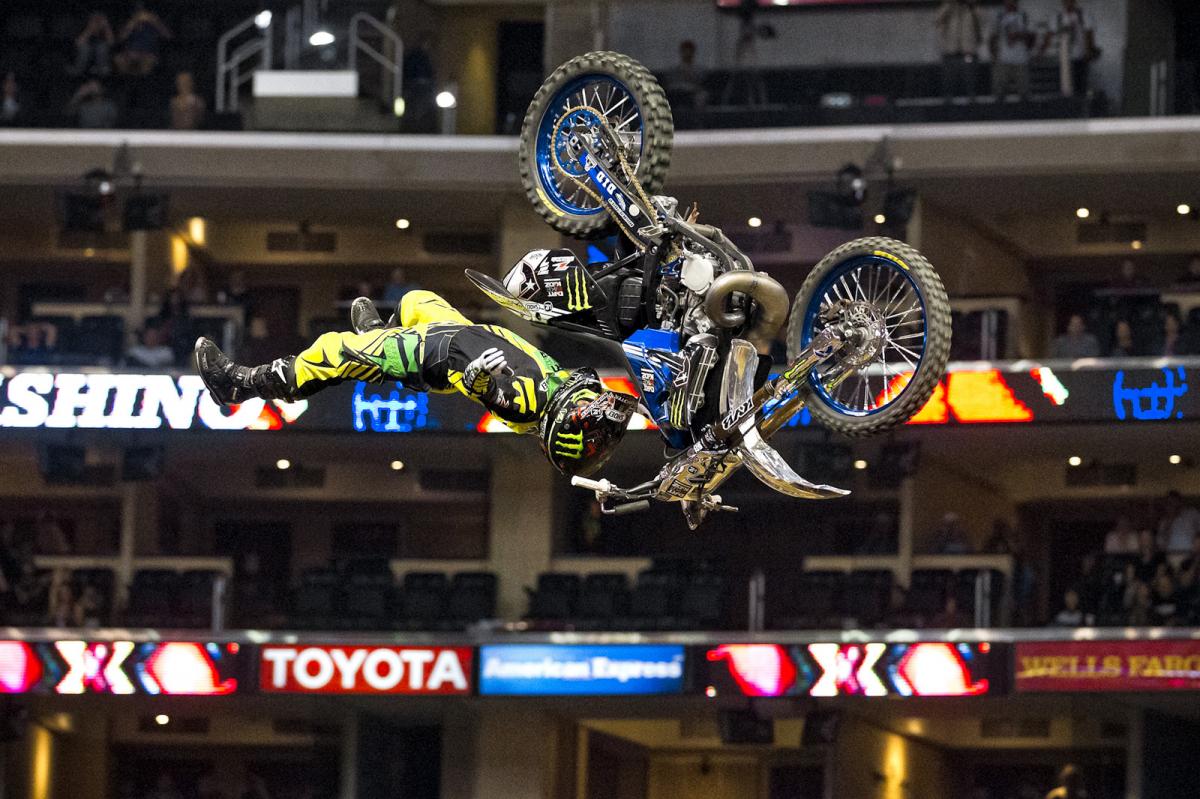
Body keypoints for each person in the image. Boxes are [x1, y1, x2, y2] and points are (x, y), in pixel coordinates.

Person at [195, 291, 636, 477]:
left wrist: (480, 379)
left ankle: (240, 384)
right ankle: (375, 333)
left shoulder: (529, 406)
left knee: (333, 352)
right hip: (456, 332)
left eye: (589, 414)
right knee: (414, 300)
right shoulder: (558, 387)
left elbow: (492, 395)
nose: (593, 403)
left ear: (566, 427)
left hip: (430, 356)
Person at [1041, 0, 1097, 97]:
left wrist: (1089, 51)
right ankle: (1066, 102)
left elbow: (1089, 34)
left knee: (1080, 85)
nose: (1068, 3)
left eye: (1071, 1)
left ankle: (1079, 103)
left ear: (1074, 2)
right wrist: (1042, 51)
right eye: (1066, 1)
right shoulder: (1057, 16)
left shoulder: (1083, 15)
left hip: (1080, 57)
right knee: (1063, 86)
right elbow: (1049, 35)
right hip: (1063, 58)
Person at [936, 0, 983, 102]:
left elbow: (982, 20)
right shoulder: (948, 6)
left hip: (968, 51)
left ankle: (971, 98)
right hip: (950, 51)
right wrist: (950, 5)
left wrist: (972, 6)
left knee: (970, 76)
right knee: (949, 78)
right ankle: (948, 99)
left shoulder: (973, 8)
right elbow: (938, 20)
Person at [989, 0, 1033, 100]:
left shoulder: (1023, 16)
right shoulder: (999, 16)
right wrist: (993, 53)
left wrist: (1019, 36)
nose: (1009, 3)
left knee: (1024, 92)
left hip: (1020, 58)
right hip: (1003, 58)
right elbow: (993, 37)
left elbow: (1031, 36)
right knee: (999, 92)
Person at [115, 3, 172, 77]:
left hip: (148, 53)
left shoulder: (155, 20)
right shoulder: (129, 20)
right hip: (130, 53)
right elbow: (120, 38)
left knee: (147, 64)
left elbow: (168, 36)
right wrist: (133, 22)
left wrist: (155, 21)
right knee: (119, 59)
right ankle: (126, 81)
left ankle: (143, 81)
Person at [664, 40, 707, 112]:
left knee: (702, 96)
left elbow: (701, 83)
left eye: (689, 51)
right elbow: (670, 83)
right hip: (677, 92)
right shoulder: (674, 69)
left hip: (694, 92)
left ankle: (698, 116)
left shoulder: (699, 69)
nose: (687, 54)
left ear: (693, 52)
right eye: (685, 51)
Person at [70, 12, 114, 77]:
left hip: (101, 63)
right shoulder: (82, 27)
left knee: (102, 46)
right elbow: (78, 43)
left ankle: (102, 73)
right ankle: (78, 72)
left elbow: (111, 42)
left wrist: (106, 26)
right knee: (85, 48)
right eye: (95, 19)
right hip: (83, 59)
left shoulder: (106, 29)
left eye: (99, 20)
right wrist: (90, 29)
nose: (97, 22)